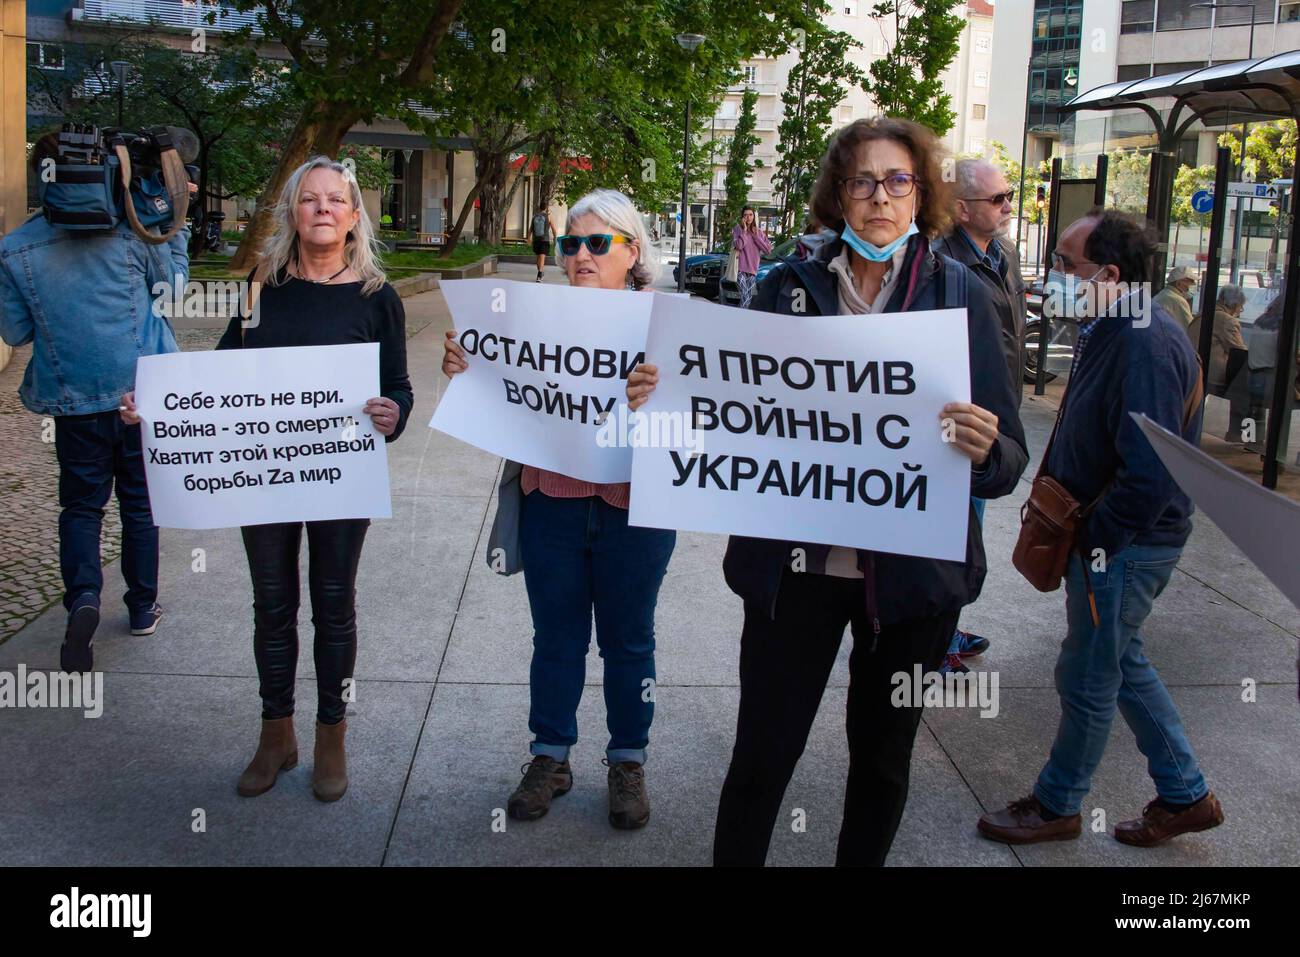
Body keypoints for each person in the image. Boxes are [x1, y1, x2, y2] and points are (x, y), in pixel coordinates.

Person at [628, 116, 1028, 866]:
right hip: (795, 577)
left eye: (898, 179)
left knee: (881, 764)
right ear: (839, 195)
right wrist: (667, 395)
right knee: (762, 757)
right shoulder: (785, 287)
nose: (881, 195)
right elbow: (731, 408)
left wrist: (982, 451)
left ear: (922, 193)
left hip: (912, 589)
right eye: (863, 180)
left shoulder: (963, 298)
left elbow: (1010, 456)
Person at [126, 156, 413, 802]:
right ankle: (274, 731)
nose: (321, 209)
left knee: (334, 606)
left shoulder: (376, 298)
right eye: (308, 199)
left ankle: (330, 735)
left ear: (352, 216)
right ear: (290, 212)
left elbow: (398, 389)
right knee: (273, 605)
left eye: (334, 200)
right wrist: (159, 404)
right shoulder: (262, 288)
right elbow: (220, 378)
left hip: (339, 478)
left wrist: (392, 415)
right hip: (265, 477)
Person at [979, 208, 1224, 848]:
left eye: (1065, 264)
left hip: (1125, 547)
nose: (1052, 276)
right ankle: (1186, 794)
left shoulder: (1143, 340)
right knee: (1121, 661)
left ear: (1110, 274)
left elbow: (1151, 470)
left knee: (1088, 675)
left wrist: (1096, 542)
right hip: (1118, 543)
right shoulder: (1112, 327)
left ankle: (1058, 804)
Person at [443, 188, 675, 830]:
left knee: (630, 642)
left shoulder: (671, 324)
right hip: (552, 502)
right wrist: (464, 364)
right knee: (557, 638)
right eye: (571, 243)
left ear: (633, 253)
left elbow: (705, 415)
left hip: (637, 508)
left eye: (598, 243)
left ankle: (627, 761)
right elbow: (492, 381)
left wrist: (665, 393)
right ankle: (550, 755)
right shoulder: (527, 317)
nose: (580, 255)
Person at [0, 131, 192, 672]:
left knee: (81, 507)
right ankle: (141, 606)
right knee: (140, 504)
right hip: (142, 396)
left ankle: (83, 599)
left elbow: (14, 332)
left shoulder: (15, 247)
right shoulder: (134, 234)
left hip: (72, 404)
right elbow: (174, 291)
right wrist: (172, 227)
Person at [931, 157, 1028, 672]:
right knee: (951, 533)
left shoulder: (1004, 255)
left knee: (972, 527)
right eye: (998, 199)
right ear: (962, 209)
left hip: (994, 419)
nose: (1008, 206)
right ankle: (937, 637)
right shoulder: (940, 263)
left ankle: (948, 624)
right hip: (958, 426)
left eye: (1008, 195)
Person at [1187, 284, 1249, 443]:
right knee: (1242, 391)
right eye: (1240, 308)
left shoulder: (1204, 313)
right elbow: (1238, 350)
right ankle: (1238, 434)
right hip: (1212, 373)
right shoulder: (1227, 320)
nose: (1239, 312)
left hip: (1193, 365)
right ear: (1234, 305)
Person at [732, 205, 772, 308]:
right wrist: (744, 231)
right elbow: (739, 245)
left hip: (752, 270)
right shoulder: (737, 230)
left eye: (750, 215)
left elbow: (768, 250)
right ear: (742, 217)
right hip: (739, 269)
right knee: (745, 295)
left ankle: (740, 319)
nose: (748, 217)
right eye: (745, 215)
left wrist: (755, 236)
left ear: (754, 216)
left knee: (748, 298)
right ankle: (741, 320)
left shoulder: (758, 232)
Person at [1153, 264, 1196, 330]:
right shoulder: (1177, 300)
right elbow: (1191, 328)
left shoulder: (1163, 294)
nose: (1192, 285)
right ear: (1178, 283)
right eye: (1190, 282)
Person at [530, 203, 558, 282]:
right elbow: (554, 229)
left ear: (540, 208)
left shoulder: (534, 216)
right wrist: (555, 238)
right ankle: (539, 275)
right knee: (542, 257)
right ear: (546, 208)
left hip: (536, 240)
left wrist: (529, 239)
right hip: (544, 240)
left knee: (538, 257)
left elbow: (530, 229)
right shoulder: (548, 216)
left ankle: (540, 272)